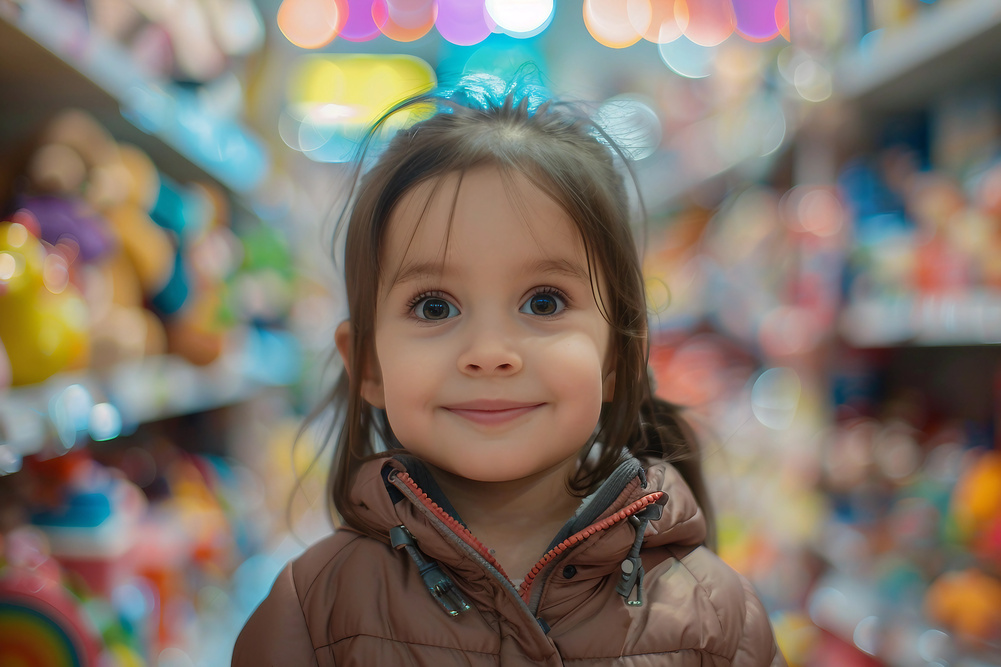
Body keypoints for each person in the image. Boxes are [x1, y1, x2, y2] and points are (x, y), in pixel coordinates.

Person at [232, 75, 786, 666]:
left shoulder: (716, 620)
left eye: (543, 302)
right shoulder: (313, 613)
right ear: (367, 363)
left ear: (618, 357)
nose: (491, 351)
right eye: (435, 306)